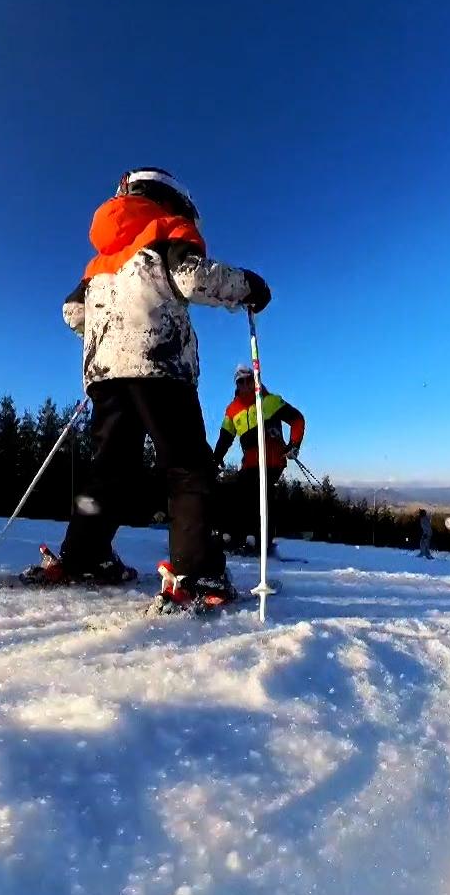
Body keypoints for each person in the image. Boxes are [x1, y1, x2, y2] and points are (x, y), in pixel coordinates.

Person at [39, 167, 270, 609]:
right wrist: (248, 286)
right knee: (186, 467)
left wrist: (111, 330)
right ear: (172, 198)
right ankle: (197, 572)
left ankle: (83, 556)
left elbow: (73, 312)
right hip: (159, 361)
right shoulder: (165, 227)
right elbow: (192, 278)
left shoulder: (100, 258)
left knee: (108, 469)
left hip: (106, 373)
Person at [212, 365, 305, 556]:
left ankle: (260, 540)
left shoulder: (269, 401)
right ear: (236, 385)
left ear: (256, 381)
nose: (245, 384)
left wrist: (294, 444)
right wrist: (216, 458)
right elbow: (225, 438)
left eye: (249, 380)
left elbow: (297, 419)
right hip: (251, 463)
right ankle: (232, 536)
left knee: (257, 492)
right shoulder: (233, 410)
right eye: (241, 381)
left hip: (272, 460)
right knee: (234, 492)